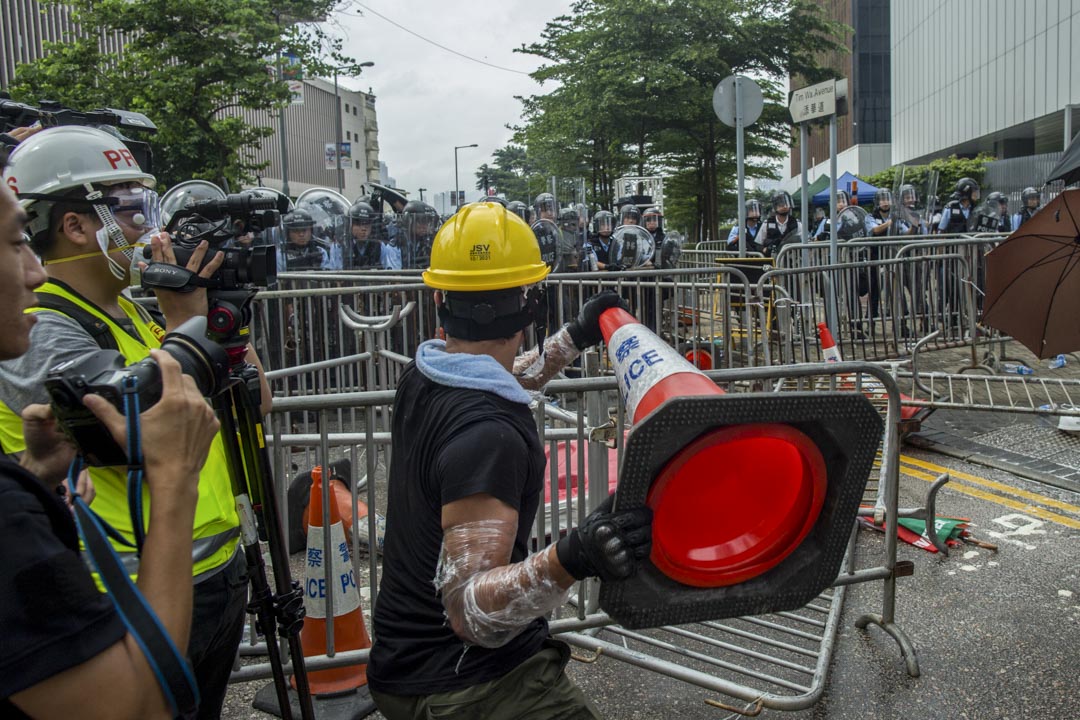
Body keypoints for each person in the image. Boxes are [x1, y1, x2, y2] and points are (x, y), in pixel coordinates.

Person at [0, 125, 268, 719]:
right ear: (76, 226)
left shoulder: (128, 310)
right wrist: (187, 328)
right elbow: (141, 420)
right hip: (132, 581)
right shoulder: (39, 326)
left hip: (210, 567)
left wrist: (218, 320)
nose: (149, 230)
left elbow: (252, 403)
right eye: (131, 210)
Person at [367, 202, 650, 719]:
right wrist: (574, 555)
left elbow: (503, 376)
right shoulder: (489, 434)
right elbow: (469, 612)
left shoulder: (427, 372)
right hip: (464, 683)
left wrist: (574, 338)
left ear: (441, 301)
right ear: (527, 308)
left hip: (407, 661)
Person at [759, 191, 801, 257]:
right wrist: (765, 249)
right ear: (775, 206)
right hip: (772, 262)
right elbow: (759, 244)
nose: (784, 206)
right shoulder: (766, 224)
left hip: (792, 261)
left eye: (786, 203)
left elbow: (805, 241)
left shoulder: (797, 223)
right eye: (781, 204)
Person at [346, 200, 383, 269]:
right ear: (350, 225)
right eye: (358, 224)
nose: (363, 229)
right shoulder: (342, 246)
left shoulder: (380, 246)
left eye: (367, 224)